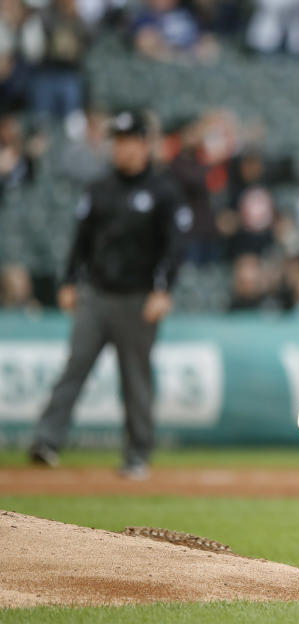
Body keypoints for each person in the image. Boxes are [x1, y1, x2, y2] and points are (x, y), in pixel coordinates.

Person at [28, 110, 188, 480]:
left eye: (128, 141)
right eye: (116, 141)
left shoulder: (163, 190)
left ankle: (137, 453)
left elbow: (174, 246)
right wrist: (69, 281)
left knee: (135, 379)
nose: (121, 148)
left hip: (138, 299)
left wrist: (163, 290)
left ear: (144, 144)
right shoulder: (100, 188)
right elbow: (81, 240)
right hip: (97, 294)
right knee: (74, 368)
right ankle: (46, 441)